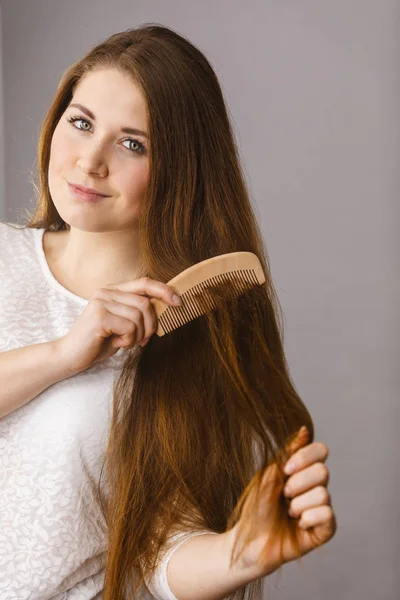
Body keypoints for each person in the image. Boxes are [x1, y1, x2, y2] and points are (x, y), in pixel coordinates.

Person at [0, 24, 336, 600]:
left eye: (133, 143)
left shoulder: (188, 324)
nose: (90, 160)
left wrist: (240, 553)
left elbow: (159, 545)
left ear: (181, 170)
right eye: (81, 123)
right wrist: (63, 355)